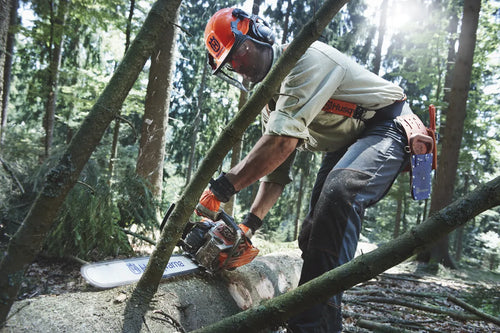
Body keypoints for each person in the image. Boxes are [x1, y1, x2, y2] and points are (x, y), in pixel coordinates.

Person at [197, 7, 429, 333]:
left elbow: (281, 144)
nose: (241, 64)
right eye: (231, 63)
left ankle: (311, 326)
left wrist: (220, 190)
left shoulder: (304, 60)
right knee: (312, 233)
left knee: (342, 193)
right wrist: (247, 228)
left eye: (240, 51)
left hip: (386, 123)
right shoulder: (272, 104)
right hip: (346, 144)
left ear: (258, 34)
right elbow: (275, 174)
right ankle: (315, 317)